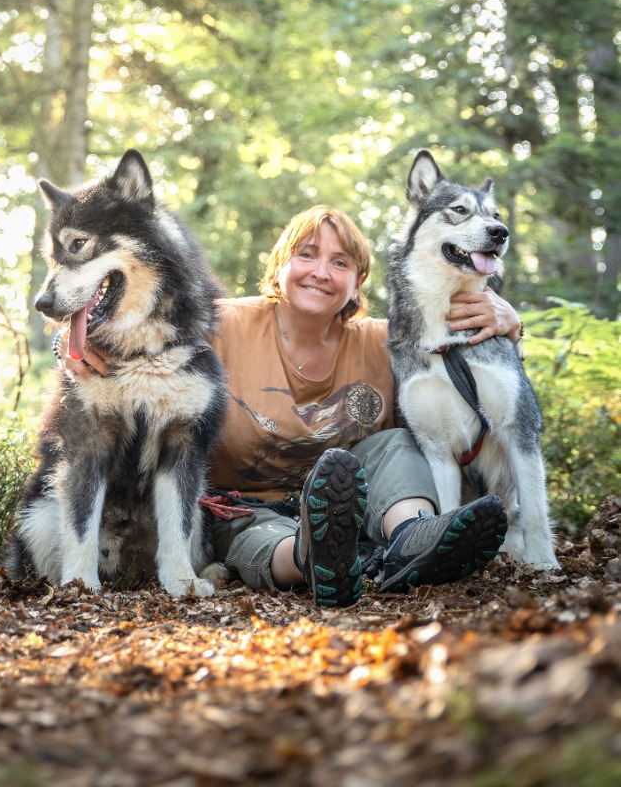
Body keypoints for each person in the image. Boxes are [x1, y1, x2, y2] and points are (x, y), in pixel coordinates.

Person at [60, 205, 522, 608]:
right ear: (280, 267)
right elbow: (143, 325)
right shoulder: (220, 324)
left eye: (339, 263)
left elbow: (469, 369)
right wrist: (79, 335)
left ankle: (414, 540)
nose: (321, 272)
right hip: (244, 508)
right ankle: (319, 560)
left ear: (358, 283)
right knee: (264, 540)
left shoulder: (390, 341)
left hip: (362, 504)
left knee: (396, 444)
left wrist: (509, 321)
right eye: (306, 255)